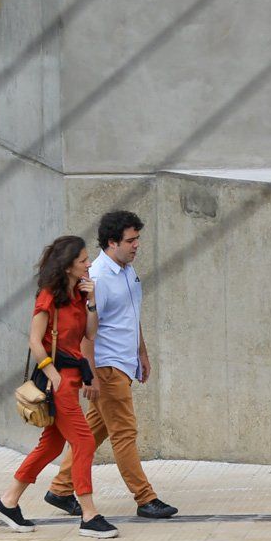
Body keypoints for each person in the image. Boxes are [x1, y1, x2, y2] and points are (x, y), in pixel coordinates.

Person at [45, 209, 179, 520]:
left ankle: (61, 488)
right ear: (111, 243)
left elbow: (131, 316)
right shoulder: (100, 279)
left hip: (124, 361)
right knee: (125, 433)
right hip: (107, 367)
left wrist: (141, 354)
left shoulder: (128, 270)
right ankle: (145, 498)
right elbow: (86, 334)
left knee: (95, 431)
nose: (136, 245)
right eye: (130, 241)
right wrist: (89, 375)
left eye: (137, 239)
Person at [0, 235, 118, 539]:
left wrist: (91, 301)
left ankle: (8, 501)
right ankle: (89, 515)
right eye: (83, 261)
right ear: (67, 266)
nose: (89, 265)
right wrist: (52, 374)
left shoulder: (78, 294)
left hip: (72, 377)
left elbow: (90, 334)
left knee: (51, 444)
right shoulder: (48, 296)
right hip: (58, 380)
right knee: (85, 442)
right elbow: (35, 341)